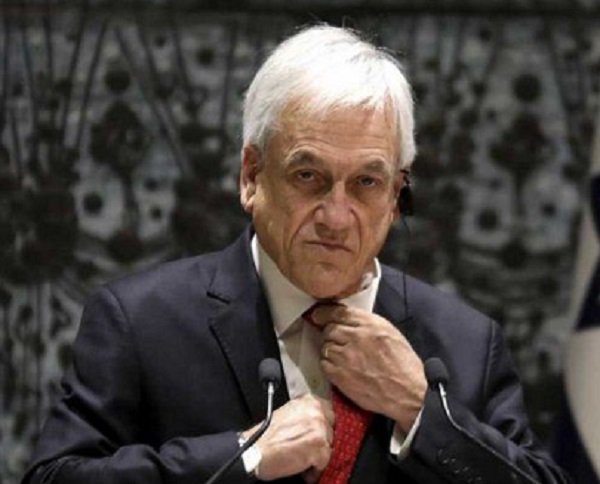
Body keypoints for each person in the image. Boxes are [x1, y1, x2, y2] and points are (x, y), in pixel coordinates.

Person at [23, 25, 569, 484]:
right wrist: (245, 456)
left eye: (366, 183)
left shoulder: (466, 345)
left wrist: (419, 412)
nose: (336, 217)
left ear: (396, 196)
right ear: (251, 176)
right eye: (309, 176)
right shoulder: (140, 321)